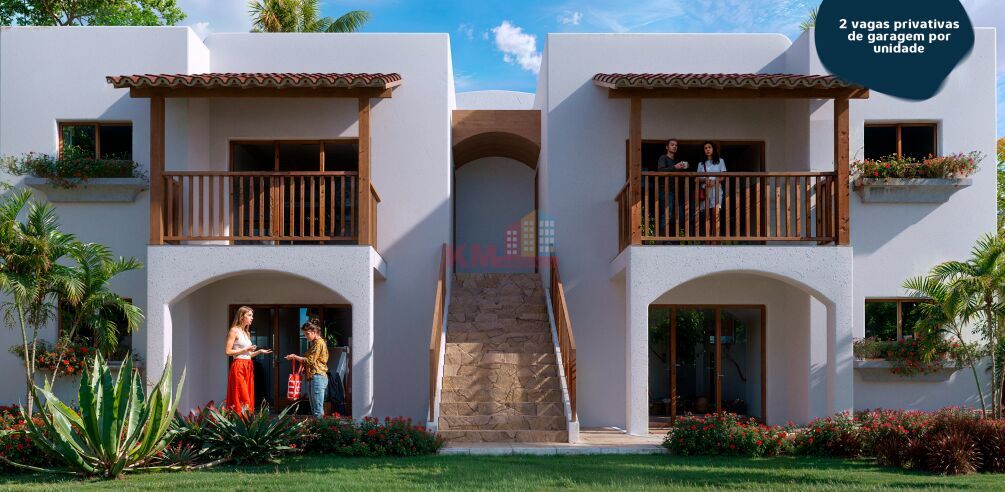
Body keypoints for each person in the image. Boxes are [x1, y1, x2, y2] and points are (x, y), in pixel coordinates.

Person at [225, 306, 271, 412]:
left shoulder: (246, 332)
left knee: (248, 395)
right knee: (241, 395)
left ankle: (247, 419)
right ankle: (239, 419)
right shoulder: (234, 331)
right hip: (239, 366)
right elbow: (228, 352)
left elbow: (248, 355)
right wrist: (245, 349)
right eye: (249, 315)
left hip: (248, 365)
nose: (252, 318)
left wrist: (259, 351)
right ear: (242, 316)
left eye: (252, 315)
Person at [285, 319, 329, 418]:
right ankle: (318, 426)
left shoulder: (319, 343)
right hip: (314, 376)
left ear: (314, 332)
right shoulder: (315, 343)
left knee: (317, 409)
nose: (306, 336)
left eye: (307, 334)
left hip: (317, 376)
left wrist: (294, 356)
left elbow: (309, 360)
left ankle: (320, 427)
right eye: (304, 334)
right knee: (315, 408)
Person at [654, 139, 689, 236]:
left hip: (677, 191)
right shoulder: (663, 158)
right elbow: (660, 171)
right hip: (665, 190)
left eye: (676, 145)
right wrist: (675, 167)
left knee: (679, 215)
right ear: (667, 147)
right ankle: (664, 239)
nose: (674, 146)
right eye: (672, 145)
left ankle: (675, 239)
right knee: (667, 213)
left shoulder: (677, 161)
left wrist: (683, 168)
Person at [697, 141, 727, 237]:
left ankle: (715, 238)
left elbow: (723, 176)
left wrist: (715, 181)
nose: (707, 149)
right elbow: (698, 178)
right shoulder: (701, 164)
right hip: (705, 190)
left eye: (709, 147)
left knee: (715, 214)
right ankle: (707, 238)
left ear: (713, 149)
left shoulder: (720, 161)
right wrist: (705, 180)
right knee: (706, 215)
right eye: (705, 148)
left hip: (717, 190)